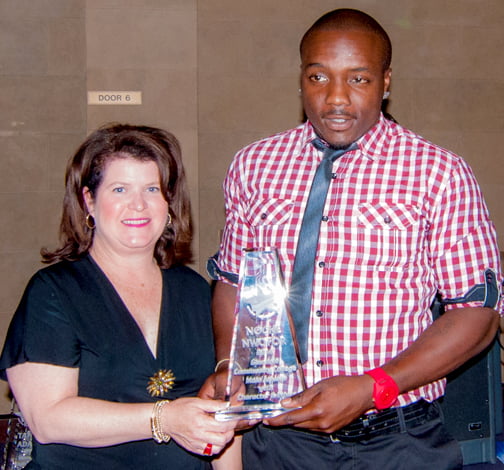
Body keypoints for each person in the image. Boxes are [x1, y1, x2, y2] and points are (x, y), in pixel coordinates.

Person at [202, 8, 502, 470]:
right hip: (278, 440)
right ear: (301, 79)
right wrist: (230, 366)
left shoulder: (438, 173)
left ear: (386, 82)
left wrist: (373, 386)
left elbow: (478, 313)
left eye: (358, 79)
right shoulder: (253, 166)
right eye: (318, 77)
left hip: (398, 442)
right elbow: (233, 283)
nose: (336, 98)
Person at [0, 123, 240, 469]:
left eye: (152, 189)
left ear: (169, 203)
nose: (138, 205)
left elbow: (221, 418)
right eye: (120, 189)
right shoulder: (53, 291)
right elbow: (47, 419)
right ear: (89, 201)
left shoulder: (196, 290)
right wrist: (164, 418)